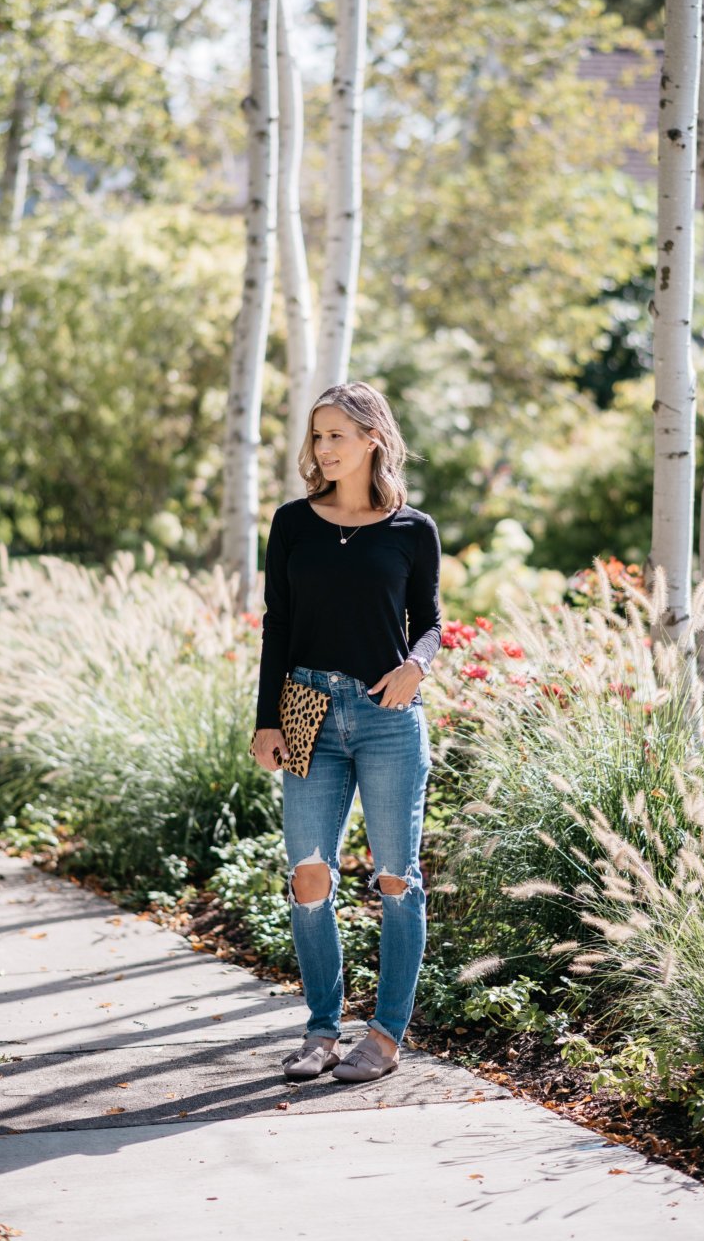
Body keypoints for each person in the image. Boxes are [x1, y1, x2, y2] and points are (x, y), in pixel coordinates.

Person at [251, 381, 442, 1084]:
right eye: (317, 435)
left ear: (372, 439)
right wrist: (266, 719)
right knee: (308, 875)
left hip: (388, 718)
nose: (323, 447)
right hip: (308, 709)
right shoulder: (293, 523)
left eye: (336, 435)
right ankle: (322, 1029)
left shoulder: (412, 529)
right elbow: (277, 624)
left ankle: (385, 1037)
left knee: (397, 878)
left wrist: (417, 666)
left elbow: (430, 621)